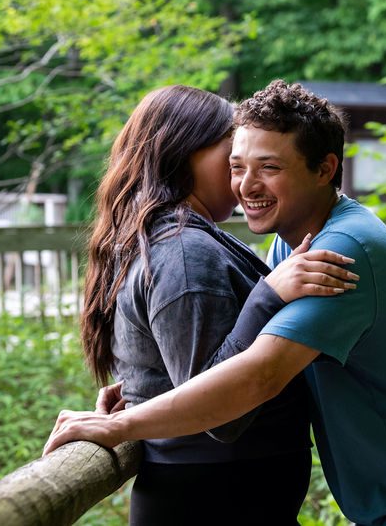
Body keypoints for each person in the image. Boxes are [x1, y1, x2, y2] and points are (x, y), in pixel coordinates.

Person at [47, 81, 386, 526]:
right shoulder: (289, 247)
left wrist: (124, 425)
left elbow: (260, 374)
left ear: (324, 169)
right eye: (237, 165)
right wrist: (146, 391)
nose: (246, 185)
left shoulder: (343, 252)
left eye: (269, 167)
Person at [76, 85, 359, 526]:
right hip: (212, 499)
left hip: (220, 494)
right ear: (183, 153)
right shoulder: (185, 251)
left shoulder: (182, 238)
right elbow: (221, 414)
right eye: (232, 159)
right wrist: (269, 297)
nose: (240, 178)